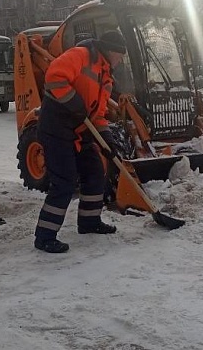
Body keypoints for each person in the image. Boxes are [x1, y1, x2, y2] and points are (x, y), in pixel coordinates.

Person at [34, 30, 127, 253]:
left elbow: (98, 115)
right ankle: (45, 236)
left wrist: (106, 139)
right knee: (64, 182)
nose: (121, 60)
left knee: (95, 172)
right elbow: (54, 78)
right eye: (120, 55)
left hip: (80, 131)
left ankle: (89, 221)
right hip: (56, 128)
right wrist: (73, 102)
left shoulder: (106, 78)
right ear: (111, 50)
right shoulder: (81, 55)